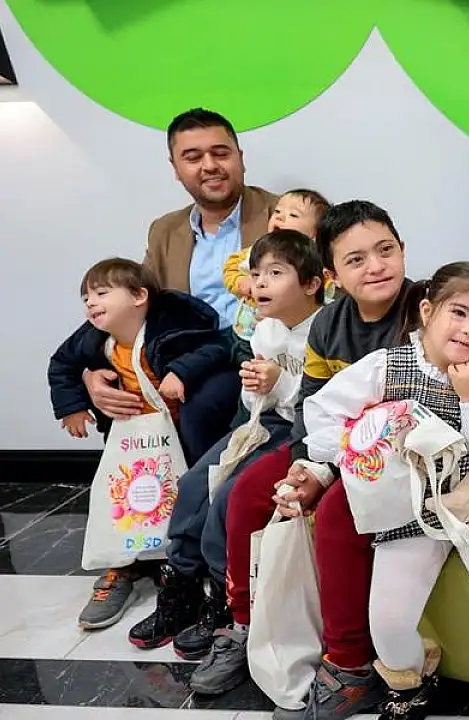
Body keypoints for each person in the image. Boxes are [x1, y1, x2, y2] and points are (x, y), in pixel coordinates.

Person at [196, 201, 415, 720]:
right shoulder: (328, 325)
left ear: (403, 250)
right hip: (332, 447)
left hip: (400, 456)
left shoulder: (423, 309)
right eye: (355, 259)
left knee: (338, 510)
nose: (376, 266)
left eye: (385, 250)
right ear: (333, 274)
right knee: (250, 492)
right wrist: (305, 467)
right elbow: (313, 409)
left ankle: (350, 664)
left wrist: (328, 474)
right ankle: (247, 625)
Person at [301, 263, 469, 720]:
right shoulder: (386, 366)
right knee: (390, 616)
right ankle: (410, 682)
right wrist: (361, 449)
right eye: (459, 313)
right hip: (408, 503)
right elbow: (323, 411)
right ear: (428, 311)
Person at [76, 108, 272, 630]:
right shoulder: (165, 231)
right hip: (187, 356)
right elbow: (134, 304)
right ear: (175, 167)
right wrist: (92, 372)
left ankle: (196, 561)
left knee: (199, 408)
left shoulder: (280, 214)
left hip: (253, 357)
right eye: (193, 156)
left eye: (220, 152)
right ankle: (128, 552)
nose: (209, 165)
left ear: (240, 157)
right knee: (127, 398)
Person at [126, 230, 326, 660]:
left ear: (312, 283)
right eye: (256, 274)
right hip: (266, 421)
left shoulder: (325, 330)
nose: (260, 283)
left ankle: (222, 596)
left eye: (275, 273)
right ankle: (181, 586)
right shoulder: (266, 330)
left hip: (303, 431)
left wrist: (280, 382)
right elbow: (257, 405)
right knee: (193, 484)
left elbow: (321, 403)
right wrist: (256, 387)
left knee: (228, 498)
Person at [47, 258, 229, 625]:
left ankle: (180, 558)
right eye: (86, 297)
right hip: (130, 432)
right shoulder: (92, 337)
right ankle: (124, 561)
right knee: (126, 493)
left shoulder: (172, 324)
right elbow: (62, 364)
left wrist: (181, 372)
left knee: (178, 491)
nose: (91, 303)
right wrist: (72, 407)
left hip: (177, 428)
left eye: (101, 293)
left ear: (138, 296)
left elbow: (213, 348)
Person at [224, 189, 333, 350]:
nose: (280, 217)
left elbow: (325, 293)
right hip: (243, 332)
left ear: (315, 234)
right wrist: (241, 282)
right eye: (277, 211)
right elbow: (231, 267)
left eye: (293, 215)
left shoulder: (316, 262)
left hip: (285, 337)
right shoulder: (259, 249)